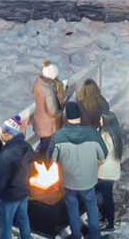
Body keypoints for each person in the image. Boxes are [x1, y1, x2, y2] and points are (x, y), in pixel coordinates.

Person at [51, 102, 108, 239]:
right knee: (91, 207)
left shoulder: (58, 137)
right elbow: (103, 155)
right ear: (80, 116)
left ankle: (76, 235)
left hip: (68, 181)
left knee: (72, 209)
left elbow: (51, 159)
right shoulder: (92, 134)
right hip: (88, 180)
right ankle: (95, 236)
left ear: (66, 117)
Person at [0, 118, 33, 239]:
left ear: (9, 134)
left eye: (3, 131)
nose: (1, 134)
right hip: (24, 191)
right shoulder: (27, 146)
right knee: (23, 219)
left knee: (5, 225)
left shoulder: (5, 154)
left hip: (9, 196)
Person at [94, 109, 124, 231]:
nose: (99, 120)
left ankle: (109, 223)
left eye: (101, 119)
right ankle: (105, 219)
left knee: (105, 199)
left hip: (104, 173)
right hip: (112, 172)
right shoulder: (115, 135)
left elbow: (101, 157)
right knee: (106, 197)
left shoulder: (105, 137)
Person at [30, 61, 64, 155]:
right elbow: (53, 111)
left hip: (40, 123)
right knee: (48, 150)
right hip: (49, 126)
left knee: (43, 147)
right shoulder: (48, 91)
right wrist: (61, 110)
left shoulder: (38, 83)